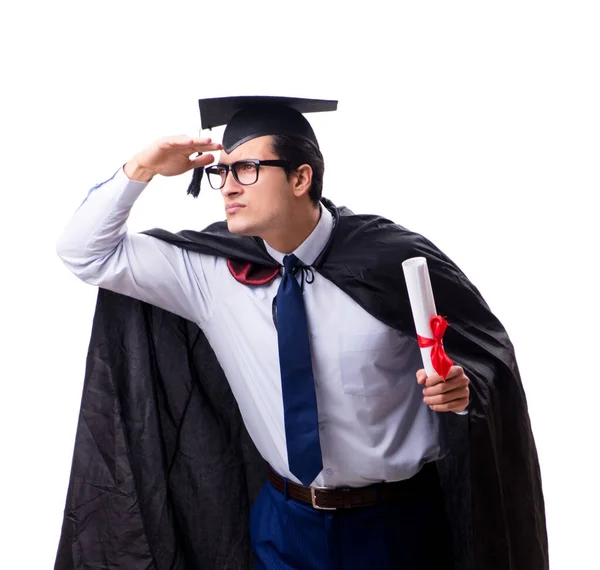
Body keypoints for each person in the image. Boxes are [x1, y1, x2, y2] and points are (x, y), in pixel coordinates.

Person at [55, 97, 548, 570]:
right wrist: (140, 167)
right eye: (221, 171)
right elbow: (85, 253)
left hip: (395, 525)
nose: (228, 186)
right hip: (285, 525)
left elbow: (482, 363)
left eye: (246, 169)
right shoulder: (208, 275)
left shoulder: (388, 261)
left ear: (300, 177)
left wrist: (462, 394)